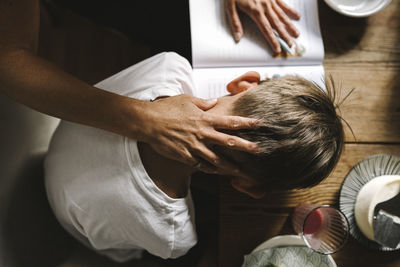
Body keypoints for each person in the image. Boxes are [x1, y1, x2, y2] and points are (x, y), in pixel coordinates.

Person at [44, 52, 344, 262]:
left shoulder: (168, 68)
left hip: (59, 137)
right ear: (248, 187)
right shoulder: (174, 236)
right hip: (71, 226)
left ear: (242, 83)